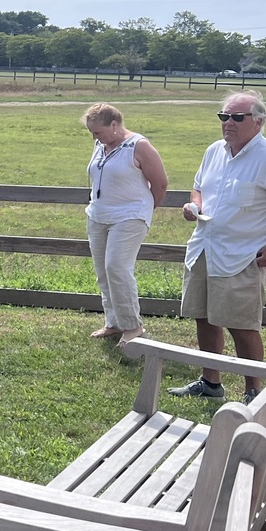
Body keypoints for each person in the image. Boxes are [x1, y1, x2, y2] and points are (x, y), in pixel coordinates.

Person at [168, 91, 266, 401]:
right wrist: (194, 205)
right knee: (204, 317)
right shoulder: (214, 151)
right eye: (224, 117)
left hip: (242, 256)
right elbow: (198, 186)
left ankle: (253, 391)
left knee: (242, 327)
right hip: (205, 248)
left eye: (237, 117)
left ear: (259, 122)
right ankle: (211, 383)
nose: (228, 123)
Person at [82, 104, 169, 349]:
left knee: (117, 267)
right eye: (91, 132)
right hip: (98, 215)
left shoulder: (139, 146)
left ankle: (133, 326)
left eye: (97, 132)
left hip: (130, 216)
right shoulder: (100, 144)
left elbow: (160, 183)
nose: (94, 137)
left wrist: (144, 212)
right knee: (103, 270)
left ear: (114, 125)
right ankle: (114, 322)